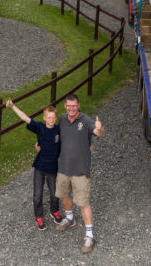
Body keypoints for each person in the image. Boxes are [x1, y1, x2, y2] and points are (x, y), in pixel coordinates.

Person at [54, 93, 104, 254]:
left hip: (81, 170)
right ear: (65, 106)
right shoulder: (61, 119)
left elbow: (98, 132)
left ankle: (89, 235)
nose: (71, 108)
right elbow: (50, 132)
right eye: (68, 106)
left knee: (83, 202)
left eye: (74, 106)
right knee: (64, 195)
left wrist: (99, 128)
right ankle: (70, 218)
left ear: (79, 106)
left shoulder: (86, 120)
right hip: (63, 168)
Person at [5, 99, 63, 231]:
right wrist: (13, 107)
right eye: (49, 117)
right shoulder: (40, 127)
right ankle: (39, 216)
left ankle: (54, 211)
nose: (52, 119)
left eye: (54, 117)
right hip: (40, 167)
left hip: (53, 167)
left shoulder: (59, 130)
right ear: (44, 118)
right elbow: (25, 118)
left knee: (55, 193)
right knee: (38, 194)